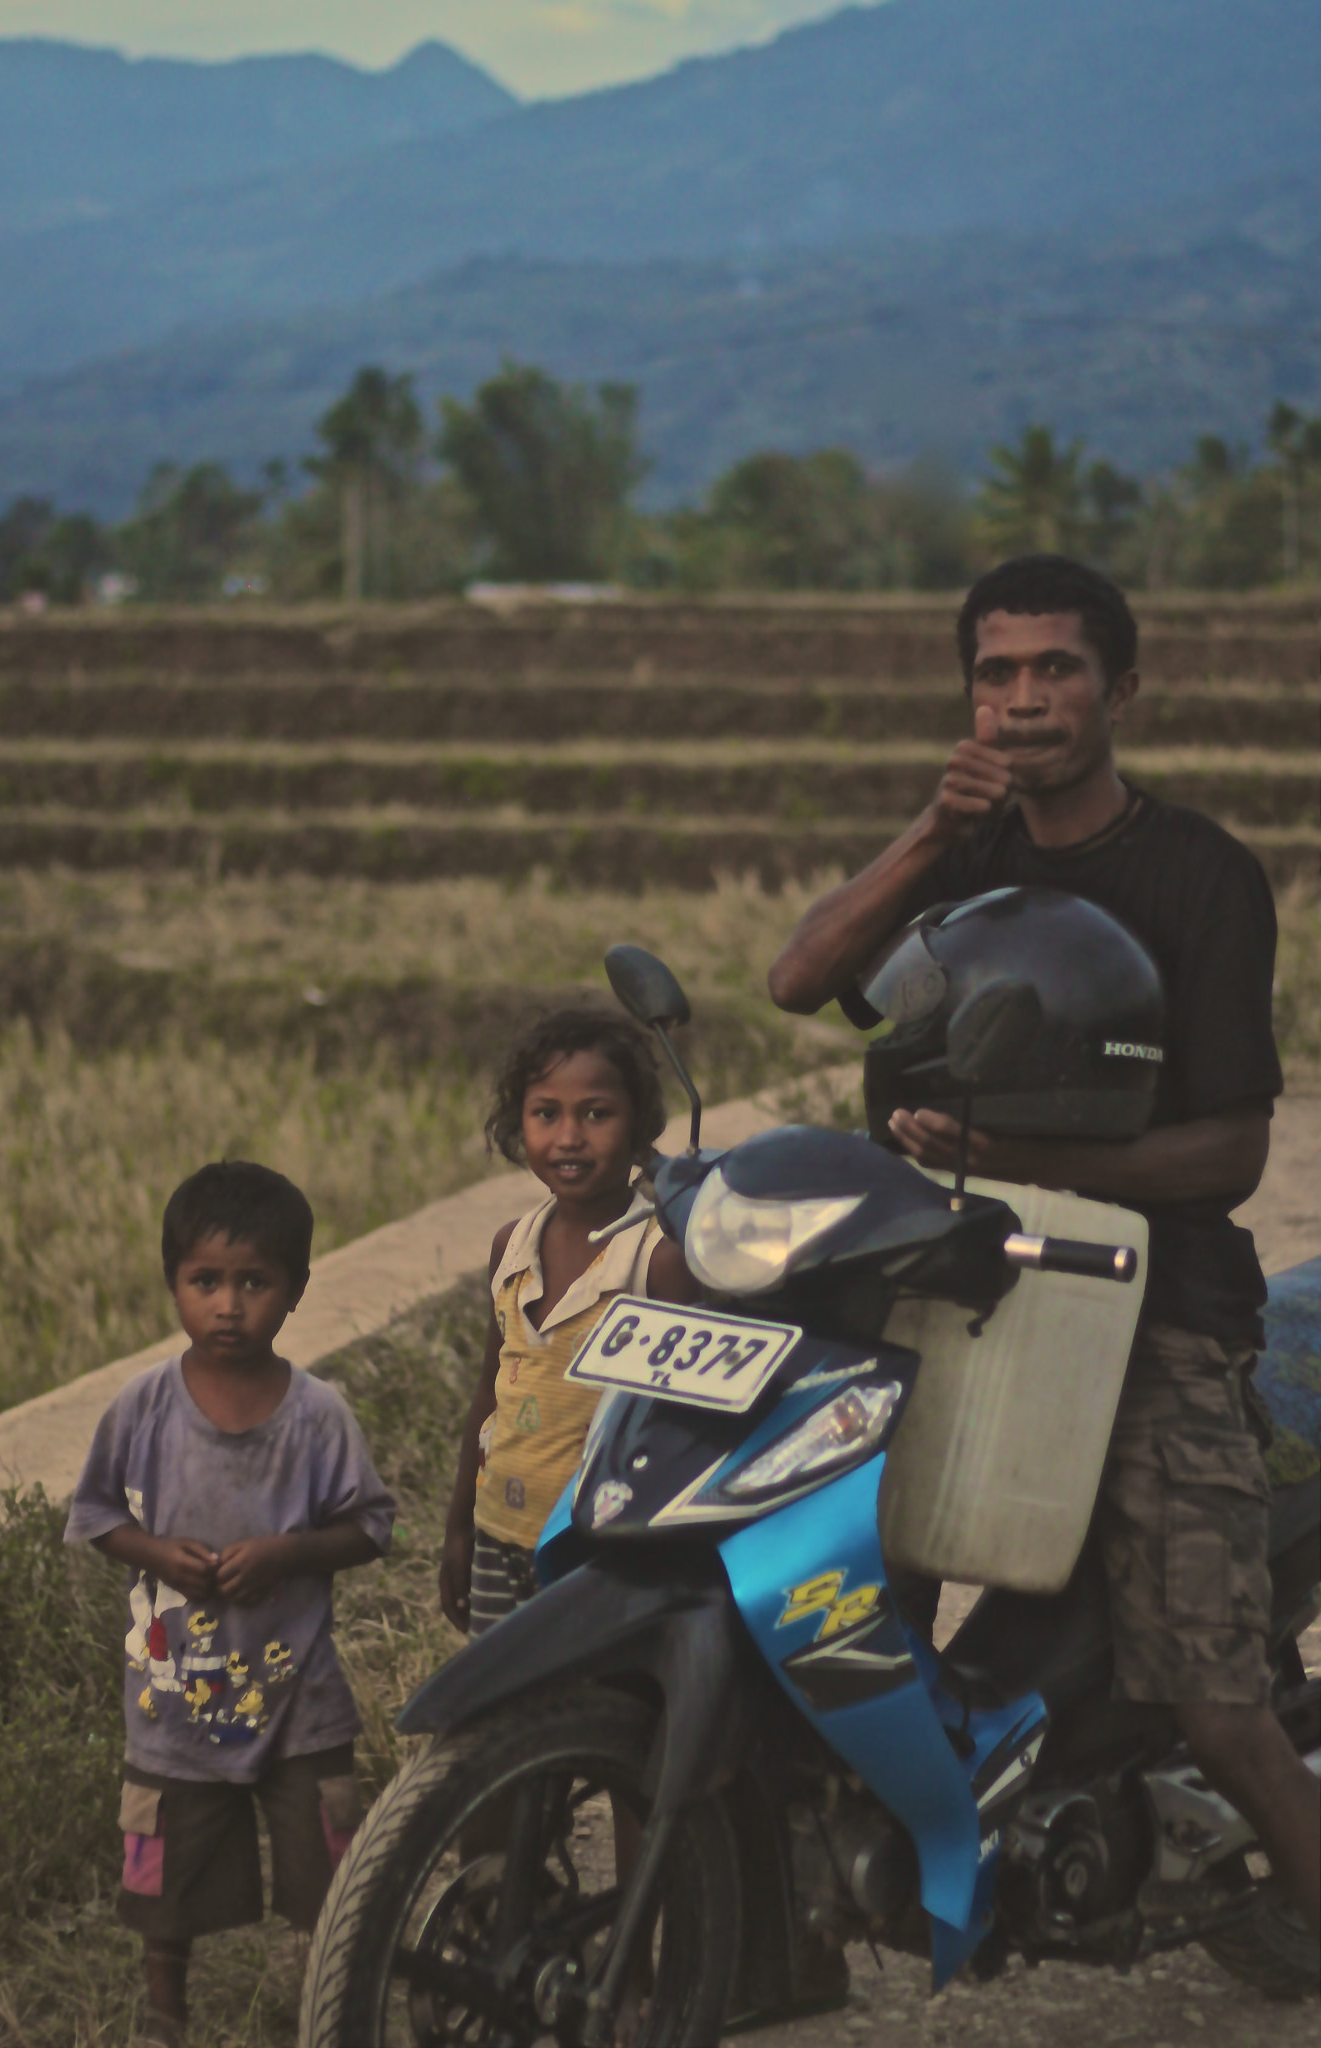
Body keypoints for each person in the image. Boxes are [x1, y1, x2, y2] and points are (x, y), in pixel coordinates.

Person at [767, 553, 1320, 1943]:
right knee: (826, 1567)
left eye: (1055, 668)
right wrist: (927, 834)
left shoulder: (1197, 873)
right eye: (995, 674)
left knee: (1212, 1685)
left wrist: (1018, 1163)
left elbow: (1231, 1150)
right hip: (941, 1280)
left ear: (1119, 688)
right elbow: (795, 980)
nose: (1023, 699)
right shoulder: (964, 855)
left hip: (1149, 1306)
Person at [64, 1160, 395, 2047]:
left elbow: (370, 1526)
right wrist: (156, 1552)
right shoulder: (143, 1408)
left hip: (300, 1705)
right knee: (161, 1884)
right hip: (171, 1706)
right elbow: (93, 1514)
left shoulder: (317, 1415)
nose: (229, 1305)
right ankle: (161, 2020)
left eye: (255, 1282)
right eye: (204, 1281)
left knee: (326, 1876)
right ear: (172, 1283)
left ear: (294, 1291)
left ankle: (321, 2009)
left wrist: (290, 1552)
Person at [439, 1007, 699, 1638]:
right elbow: (489, 1393)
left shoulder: (656, 1260)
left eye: (597, 1114)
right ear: (517, 1122)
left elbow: (683, 1422)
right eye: (545, 1113)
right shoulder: (512, 1247)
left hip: (597, 1550)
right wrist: (459, 1527)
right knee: (498, 1717)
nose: (569, 1138)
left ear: (637, 1123)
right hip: (500, 1534)